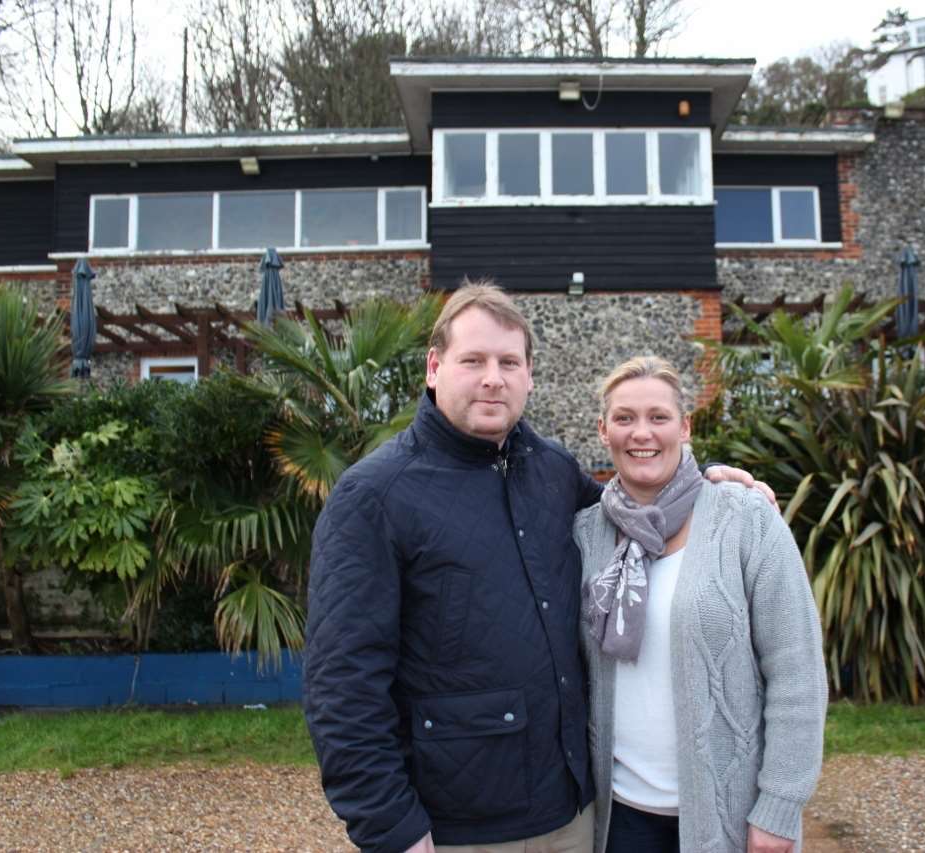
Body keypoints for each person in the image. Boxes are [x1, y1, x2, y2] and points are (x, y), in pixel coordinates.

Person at [303, 282, 773, 853]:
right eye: (472, 360)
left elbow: (636, 509)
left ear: (529, 374)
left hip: (572, 817)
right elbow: (342, 687)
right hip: (458, 830)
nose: (492, 378)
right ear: (434, 367)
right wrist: (393, 829)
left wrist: (709, 486)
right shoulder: (374, 496)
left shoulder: (552, 470)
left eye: (509, 361)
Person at [575, 356, 827, 853]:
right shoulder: (586, 533)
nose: (641, 433)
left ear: (685, 426)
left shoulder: (746, 518)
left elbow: (797, 673)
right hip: (618, 819)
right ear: (604, 431)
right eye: (624, 418)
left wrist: (778, 808)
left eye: (658, 417)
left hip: (728, 815)